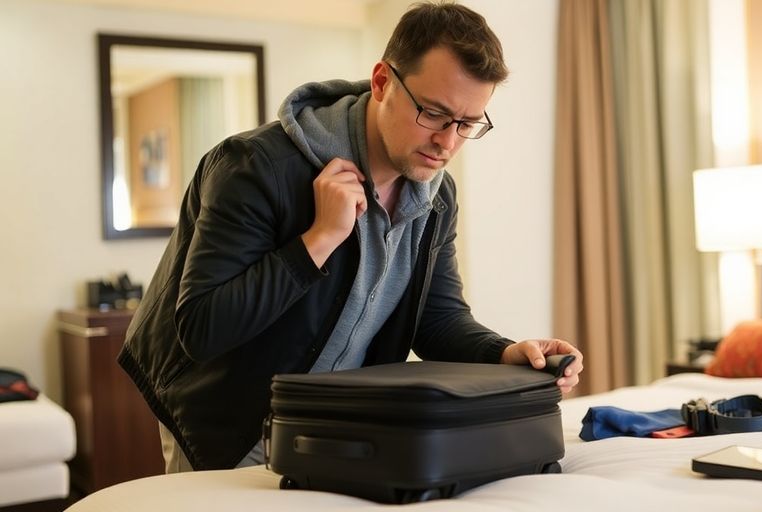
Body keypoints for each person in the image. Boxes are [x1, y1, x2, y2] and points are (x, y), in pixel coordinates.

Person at [118, 1, 584, 473]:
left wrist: (505, 353)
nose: (448, 142)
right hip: (230, 420)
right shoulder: (254, 167)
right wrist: (318, 240)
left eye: (467, 124)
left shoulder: (436, 196)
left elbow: (437, 318)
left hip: (337, 422)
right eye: (434, 113)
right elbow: (202, 329)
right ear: (382, 81)